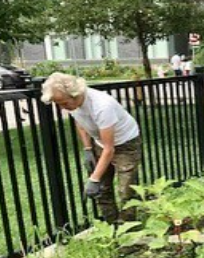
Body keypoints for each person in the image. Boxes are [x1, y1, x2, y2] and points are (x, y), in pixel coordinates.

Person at [41, 72, 141, 224]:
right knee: (102, 190)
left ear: (75, 94)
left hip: (125, 144)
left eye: (63, 103)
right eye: (58, 104)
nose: (62, 108)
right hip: (101, 143)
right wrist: (88, 149)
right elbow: (81, 122)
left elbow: (110, 149)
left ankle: (129, 234)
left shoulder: (102, 106)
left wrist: (94, 178)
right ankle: (112, 226)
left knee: (126, 191)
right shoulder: (73, 105)